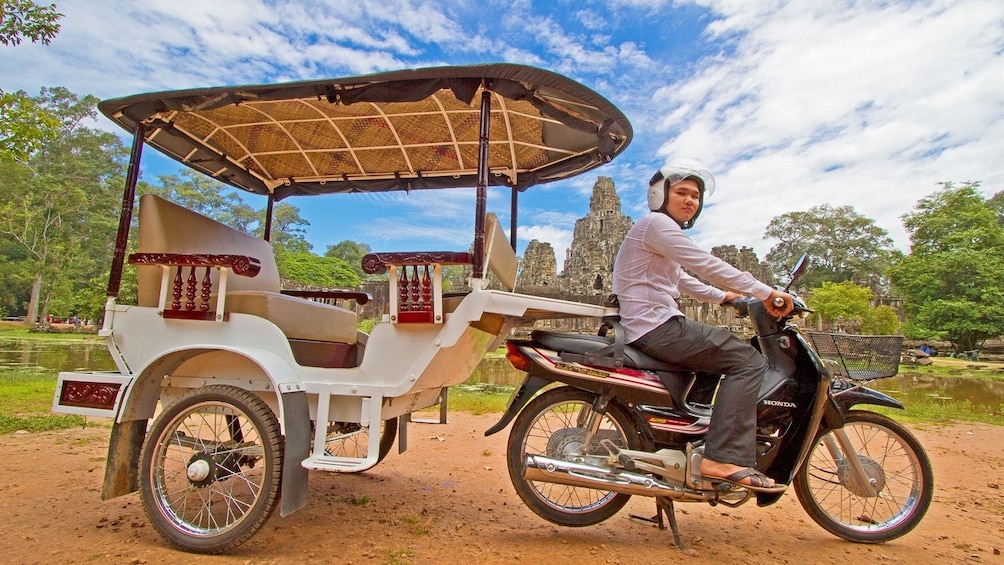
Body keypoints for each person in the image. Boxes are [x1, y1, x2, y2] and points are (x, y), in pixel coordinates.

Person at [611, 158, 793, 493]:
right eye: (681, 192)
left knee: (712, 363)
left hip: (652, 324)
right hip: (656, 325)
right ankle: (721, 458)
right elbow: (703, 263)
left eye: (696, 195)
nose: (690, 200)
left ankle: (688, 439)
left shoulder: (659, 232)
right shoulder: (656, 224)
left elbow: (681, 278)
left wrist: (725, 298)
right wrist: (766, 292)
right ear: (660, 195)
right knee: (747, 360)